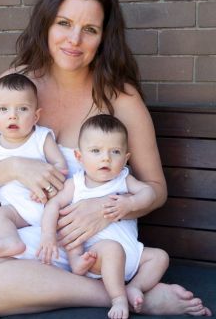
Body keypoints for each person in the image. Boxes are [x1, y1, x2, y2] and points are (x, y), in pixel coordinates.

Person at [0, 0, 211, 316]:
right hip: (26, 234)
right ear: (46, 23)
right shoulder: (13, 87)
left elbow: (155, 189)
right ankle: (124, 297)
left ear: (104, 37)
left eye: (89, 29)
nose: (74, 39)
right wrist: (16, 166)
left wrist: (104, 208)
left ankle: (98, 287)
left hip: (87, 248)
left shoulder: (121, 99)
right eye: (64, 23)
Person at [38, 114, 169, 318]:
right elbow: (53, 205)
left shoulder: (124, 179)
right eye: (96, 151)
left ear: (126, 158)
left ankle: (135, 286)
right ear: (79, 157)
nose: (105, 158)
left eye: (115, 151)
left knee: (160, 257)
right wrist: (47, 234)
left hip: (133, 254)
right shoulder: (77, 184)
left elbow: (150, 193)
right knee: (111, 249)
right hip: (98, 257)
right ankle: (117, 298)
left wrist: (131, 203)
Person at [0, 73, 67, 259]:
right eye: (3, 109)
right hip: (17, 213)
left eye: (22, 109)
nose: (12, 116)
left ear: (35, 116)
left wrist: (48, 188)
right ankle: (11, 241)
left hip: (49, 208)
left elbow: (60, 165)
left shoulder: (41, 138)